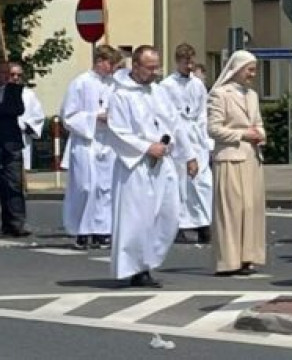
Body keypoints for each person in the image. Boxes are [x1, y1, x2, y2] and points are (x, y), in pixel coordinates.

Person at [108, 45, 194, 288]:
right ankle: (137, 268)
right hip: (136, 166)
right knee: (138, 220)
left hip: (163, 162)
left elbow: (175, 124)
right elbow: (117, 131)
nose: (155, 72)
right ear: (135, 66)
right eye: (150, 67)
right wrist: (146, 147)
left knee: (169, 215)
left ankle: (150, 260)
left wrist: (188, 156)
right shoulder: (121, 95)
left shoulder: (159, 91)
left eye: (157, 67)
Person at [208, 50, 267, 276]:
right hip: (230, 158)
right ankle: (228, 260)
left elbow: (258, 122)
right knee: (231, 210)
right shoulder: (220, 94)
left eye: (254, 70)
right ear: (237, 69)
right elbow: (213, 128)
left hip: (252, 157)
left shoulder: (252, 95)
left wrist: (260, 134)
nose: (253, 74)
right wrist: (242, 134)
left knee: (251, 209)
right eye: (249, 69)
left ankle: (248, 257)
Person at [62, 44, 121, 250]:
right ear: (99, 61)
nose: (112, 69)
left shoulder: (114, 85)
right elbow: (68, 116)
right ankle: (80, 231)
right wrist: (95, 117)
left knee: (106, 187)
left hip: (108, 142)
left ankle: (102, 230)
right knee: (86, 186)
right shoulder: (80, 83)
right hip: (86, 141)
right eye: (110, 64)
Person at [160, 43, 213, 244]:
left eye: (191, 62)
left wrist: (204, 138)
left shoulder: (197, 85)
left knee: (202, 182)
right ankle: (180, 224)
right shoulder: (167, 85)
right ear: (177, 62)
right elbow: (165, 115)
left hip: (196, 137)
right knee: (180, 183)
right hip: (177, 138)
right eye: (185, 62)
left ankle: (204, 222)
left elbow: (202, 113)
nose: (189, 66)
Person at [0, 61, 32, 237]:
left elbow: (17, 109)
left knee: (13, 183)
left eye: (8, 73)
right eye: (2, 72)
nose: (6, 76)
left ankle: (15, 222)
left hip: (11, 142)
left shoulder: (14, 90)